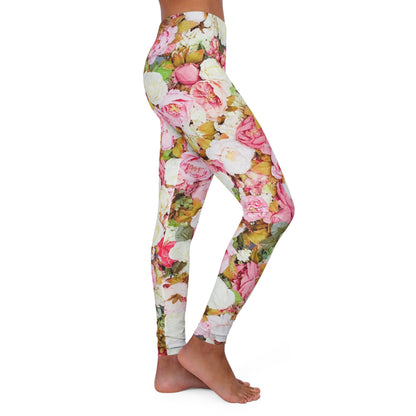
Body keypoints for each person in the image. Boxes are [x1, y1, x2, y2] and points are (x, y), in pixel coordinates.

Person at [143, 0, 295, 404]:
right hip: (190, 55)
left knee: (176, 222)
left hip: (174, 56)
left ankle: (171, 363)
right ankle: (208, 344)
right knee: (272, 207)